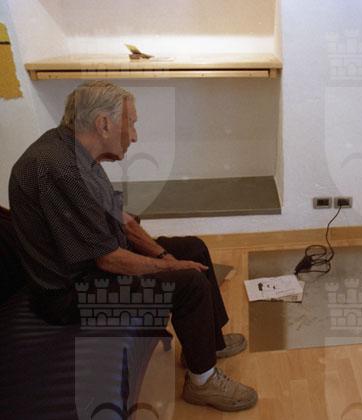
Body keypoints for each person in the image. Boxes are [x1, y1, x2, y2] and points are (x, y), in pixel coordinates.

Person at [8, 81, 257, 411]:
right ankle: (203, 382)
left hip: (91, 266)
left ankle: (209, 345)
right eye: (132, 123)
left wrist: (165, 254)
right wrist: (172, 267)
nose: (135, 136)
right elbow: (108, 260)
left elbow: (122, 220)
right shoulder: (61, 169)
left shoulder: (74, 150)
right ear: (104, 124)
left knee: (192, 248)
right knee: (188, 283)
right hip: (70, 296)